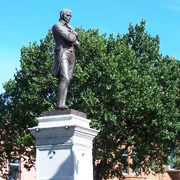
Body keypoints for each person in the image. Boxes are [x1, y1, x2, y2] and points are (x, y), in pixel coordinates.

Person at [52, 9, 80, 110]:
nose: (70, 17)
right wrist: (74, 34)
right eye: (68, 15)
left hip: (71, 54)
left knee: (68, 80)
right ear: (62, 15)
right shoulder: (57, 26)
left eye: (70, 15)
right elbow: (71, 39)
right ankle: (59, 104)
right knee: (65, 78)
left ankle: (62, 103)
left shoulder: (69, 28)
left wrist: (73, 38)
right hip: (63, 52)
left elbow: (77, 45)